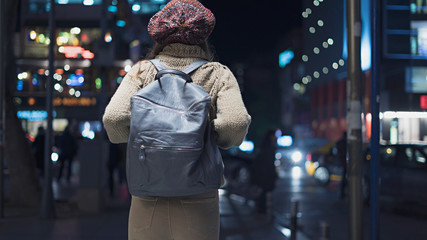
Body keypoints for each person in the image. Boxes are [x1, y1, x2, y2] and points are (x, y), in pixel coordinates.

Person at [102, 1, 251, 239]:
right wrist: (206, 137)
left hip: (147, 195)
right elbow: (235, 124)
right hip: (199, 197)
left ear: (160, 36)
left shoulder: (141, 71)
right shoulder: (218, 73)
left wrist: (143, 136)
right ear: (202, 36)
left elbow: (114, 120)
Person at [252, 130, 278, 217]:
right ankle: (263, 210)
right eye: (274, 136)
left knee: (264, 192)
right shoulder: (268, 148)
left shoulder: (264, 147)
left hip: (264, 174)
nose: (275, 138)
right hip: (266, 174)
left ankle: (263, 209)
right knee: (265, 192)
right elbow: (269, 163)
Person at [336, 131, 347, 199]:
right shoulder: (344, 142)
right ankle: (343, 193)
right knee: (344, 179)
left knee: (344, 179)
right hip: (344, 162)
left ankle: (343, 193)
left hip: (344, 163)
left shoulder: (342, 142)